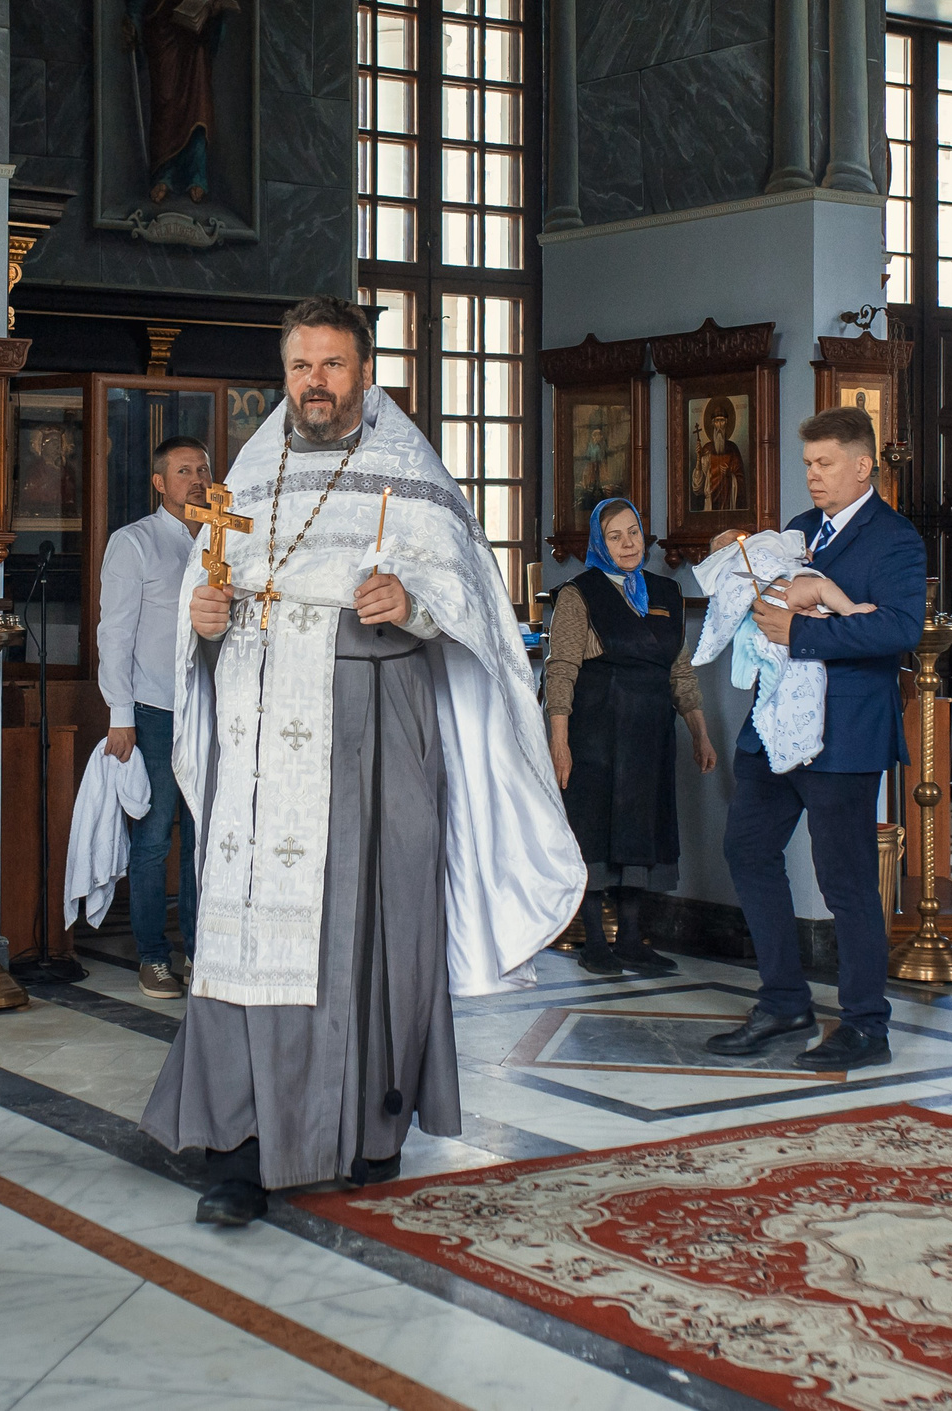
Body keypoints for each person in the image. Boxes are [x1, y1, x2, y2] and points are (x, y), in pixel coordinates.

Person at [141, 296, 583, 1225]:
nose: (315, 383)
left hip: (370, 733)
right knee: (249, 938)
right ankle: (240, 1143)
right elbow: (210, 590)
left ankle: (363, 1132)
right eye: (301, 366)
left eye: (333, 365)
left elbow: (466, 596)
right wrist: (206, 623)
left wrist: (410, 600)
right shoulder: (251, 476)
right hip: (259, 746)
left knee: (366, 930)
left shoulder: (408, 468)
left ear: (364, 371)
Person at [704, 405, 928, 1071]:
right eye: (807, 464)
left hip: (846, 733)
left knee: (846, 880)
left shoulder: (896, 539)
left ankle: (866, 1024)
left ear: (863, 466)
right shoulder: (799, 530)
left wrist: (802, 632)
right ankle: (783, 1000)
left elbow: (897, 630)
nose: (813, 476)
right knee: (746, 849)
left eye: (825, 463)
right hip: (773, 726)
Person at [543, 497, 718, 975]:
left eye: (633, 533)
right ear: (600, 543)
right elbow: (560, 673)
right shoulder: (579, 595)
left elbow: (680, 672)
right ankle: (595, 940)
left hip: (650, 736)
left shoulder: (666, 592)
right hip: (595, 733)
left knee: (643, 831)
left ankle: (632, 939)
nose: (627, 544)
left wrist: (700, 733)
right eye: (615, 536)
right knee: (594, 832)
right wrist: (559, 743)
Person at [98, 433, 212, 997]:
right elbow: (115, 632)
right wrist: (120, 714)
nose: (197, 479)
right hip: (154, 711)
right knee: (152, 841)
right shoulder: (135, 543)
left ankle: (198, 951)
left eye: (203, 469)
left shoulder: (223, 541)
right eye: (185, 470)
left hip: (210, 711)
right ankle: (152, 955)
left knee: (203, 837)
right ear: (160, 482)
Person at [122, 0, 239, 205]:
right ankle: (163, 175)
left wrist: (213, 8)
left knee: (199, 107)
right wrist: (132, 20)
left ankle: (196, 176)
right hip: (163, 37)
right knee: (166, 105)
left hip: (194, 42)